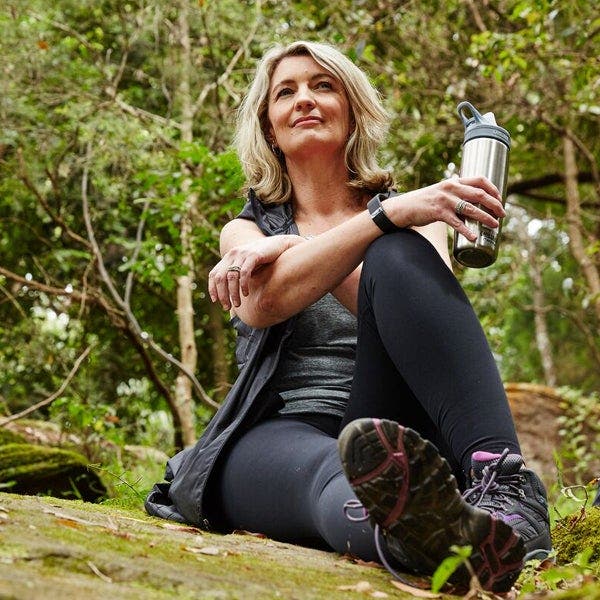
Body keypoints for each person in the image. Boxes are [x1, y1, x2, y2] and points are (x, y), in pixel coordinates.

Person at [145, 40, 552, 592]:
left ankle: (507, 493)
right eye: (285, 92)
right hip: (281, 426)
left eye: (323, 85)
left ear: (352, 109)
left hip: (393, 419)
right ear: (270, 128)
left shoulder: (417, 222)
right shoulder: (244, 232)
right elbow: (262, 304)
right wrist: (343, 230)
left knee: (397, 254)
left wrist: (352, 230)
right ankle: (434, 537)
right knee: (338, 478)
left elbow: (399, 302)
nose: (304, 99)